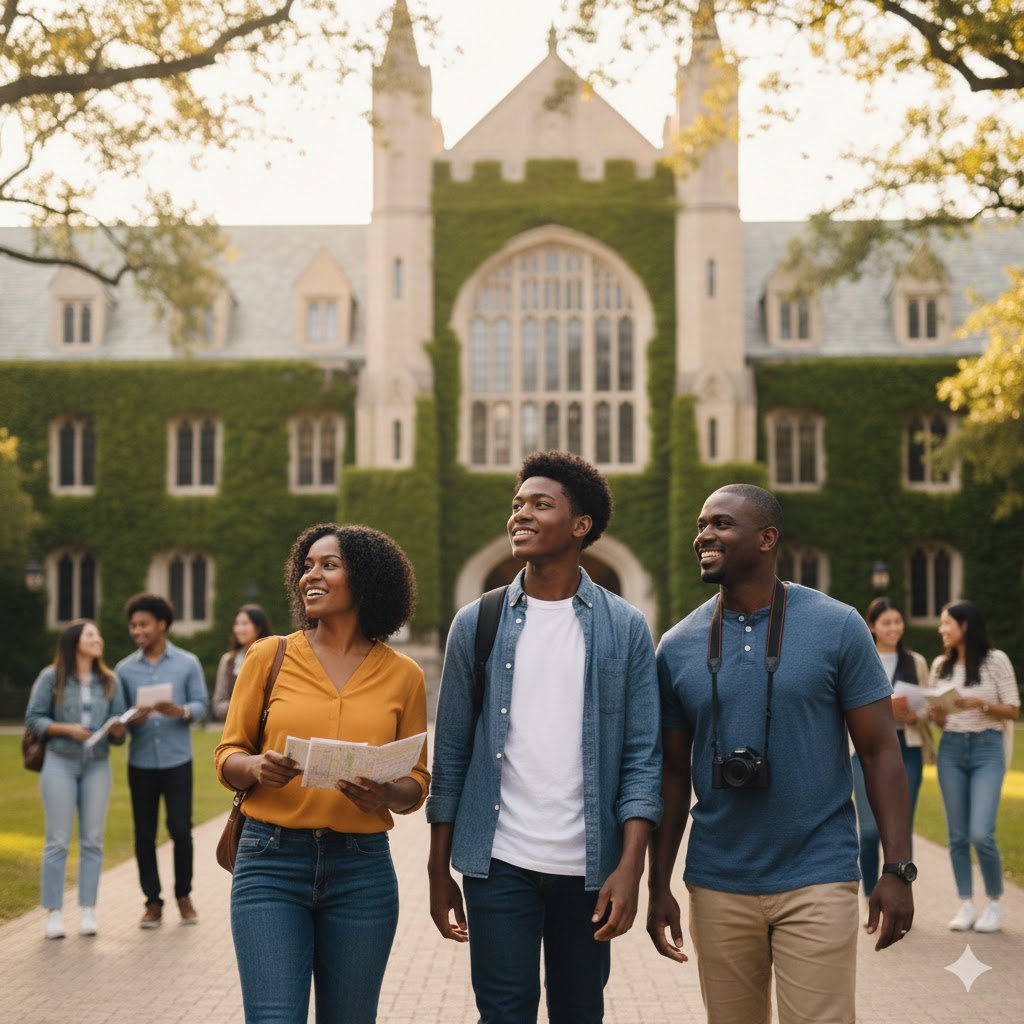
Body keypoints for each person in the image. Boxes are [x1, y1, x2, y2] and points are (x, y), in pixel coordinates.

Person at [648, 483, 914, 1024]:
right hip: (717, 880)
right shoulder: (676, 646)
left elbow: (881, 750)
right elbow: (672, 774)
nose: (704, 535)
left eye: (721, 524)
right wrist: (659, 884)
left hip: (818, 871)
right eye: (701, 524)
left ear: (767, 538)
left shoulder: (837, 626)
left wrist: (898, 868)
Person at [426, 450, 662, 1024]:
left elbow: (642, 758)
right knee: (503, 1013)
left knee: (579, 1013)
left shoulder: (625, 626)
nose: (520, 515)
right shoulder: (477, 622)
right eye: (517, 504)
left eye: (540, 504)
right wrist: (438, 869)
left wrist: (631, 868)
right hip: (498, 860)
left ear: (581, 526)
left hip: (590, 867)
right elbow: (452, 751)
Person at [215, 523, 429, 1024]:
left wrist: (383, 793)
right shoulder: (269, 655)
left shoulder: (404, 674)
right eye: (307, 565)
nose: (311, 575)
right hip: (270, 862)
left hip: (362, 871)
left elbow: (416, 783)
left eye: (328, 565)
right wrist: (257, 766)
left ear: (367, 581)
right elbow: (228, 754)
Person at [24, 620, 129, 939]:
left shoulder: (110, 680)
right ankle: (54, 912)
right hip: (60, 762)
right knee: (57, 839)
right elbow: (34, 718)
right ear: (74, 642)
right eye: (91, 635)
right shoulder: (50, 677)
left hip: (97, 764)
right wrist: (66, 729)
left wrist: (118, 728)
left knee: (93, 840)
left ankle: (88, 910)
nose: (98, 639)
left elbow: (120, 731)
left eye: (98, 634)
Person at [116, 593, 209, 929]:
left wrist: (181, 711)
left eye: (143, 624)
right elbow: (118, 719)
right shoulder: (124, 670)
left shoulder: (187, 663)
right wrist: (129, 721)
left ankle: (184, 895)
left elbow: (201, 705)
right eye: (133, 625)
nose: (137, 630)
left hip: (176, 760)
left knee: (181, 830)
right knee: (144, 833)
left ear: (161, 625)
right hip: (140, 762)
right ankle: (153, 902)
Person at [929, 600, 1020, 933]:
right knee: (957, 834)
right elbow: (940, 721)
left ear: (964, 626)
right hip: (951, 749)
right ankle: (966, 903)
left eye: (946, 624)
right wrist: (937, 714)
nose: (942, 630)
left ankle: (995, 901)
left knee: (981, 832)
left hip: (986, 749)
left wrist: (979, 703)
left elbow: (1013, 709)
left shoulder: (996, 661)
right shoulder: (941, 666)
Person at [851, 597, 932, 895]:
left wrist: (914, 715)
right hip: (864, 749)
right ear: (872, 626)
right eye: (886, 622)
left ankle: (900, 894)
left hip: (907, 748)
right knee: (870, 831)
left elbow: (928, 706)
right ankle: (872, 894)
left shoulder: (917, 662)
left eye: (898, 621)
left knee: (901, 828)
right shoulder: (859, 657)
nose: (894, 628)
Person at [211, 603, 273, 721]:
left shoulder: (274, 657)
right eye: (237, 624)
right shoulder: (228, 661)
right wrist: (240, 706)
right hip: (237, 730)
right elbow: (218, 704)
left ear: (259, 627)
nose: (239, 629)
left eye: (244, 623)